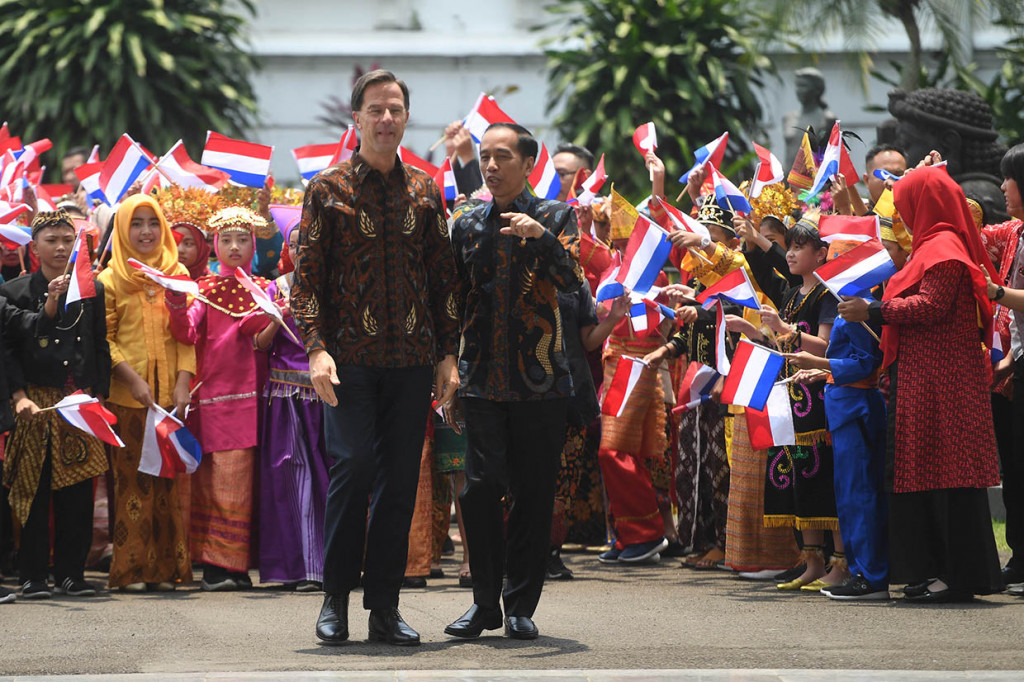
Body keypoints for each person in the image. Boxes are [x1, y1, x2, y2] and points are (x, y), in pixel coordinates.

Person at [291, 69, 460, 646]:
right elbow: (306, 283)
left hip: (413, 360)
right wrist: (316, 350)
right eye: (375, 109)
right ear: (356, 119)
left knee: (397, 485)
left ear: (407, 118)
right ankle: (334, 599)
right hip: (349, 362)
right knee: (354, 467)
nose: (385, 118)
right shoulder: (327, 189)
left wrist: (447, 356)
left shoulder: (424, 191)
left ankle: (384, 609)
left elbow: (441, 281)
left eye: (395, 109)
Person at [444, 122, 583, 641]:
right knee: (479, 489)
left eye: (503, 157)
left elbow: (574, 283)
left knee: (533, 493)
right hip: (480, 379)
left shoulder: (555, 216)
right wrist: (448, 363)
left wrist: (540, 238)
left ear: (529, 164)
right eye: (485, 156)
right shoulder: (465, 222)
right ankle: (483, 604)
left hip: (541, 383)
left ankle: (521, 604)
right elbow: (450, 299)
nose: (492, 166)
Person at [839, 164, 1003, 602]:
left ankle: (952, 574)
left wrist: (872, 312)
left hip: (944, 385)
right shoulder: (930, 247)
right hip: (926, 381)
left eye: (906, 203)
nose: (902, 214)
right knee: (926, 472)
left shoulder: (945, 248)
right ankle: (932, 570)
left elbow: (930, 306)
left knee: (945, 475)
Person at [165, 206, 273, 592]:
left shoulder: (266, 287)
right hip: (216, 397)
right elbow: (187, 332)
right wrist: (177, 302)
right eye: (226, 240)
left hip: (260, 398)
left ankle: (238, 564)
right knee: (221, 481)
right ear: (214, 246)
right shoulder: (204, 290)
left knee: (248, 482)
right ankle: (217, 564)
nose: (234, 246)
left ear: (254, 244)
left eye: (243, 239)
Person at [98, 194, 195, 592]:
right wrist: (132, 380)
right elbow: (104, 340)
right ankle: (131, 571)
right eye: (136, 223)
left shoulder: (177, 272)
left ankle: (167, 570)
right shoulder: (109, 279)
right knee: (132, 485)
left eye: (152, 223)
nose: (145, 231)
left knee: (167, 487)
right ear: (122, 229)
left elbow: (187, 337)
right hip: (127, 400)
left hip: (168, 401)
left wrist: (184, 381)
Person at [785, 239, 890, 601]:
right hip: (844, 404)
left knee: (859, 495)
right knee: (848, 495)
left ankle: (871, 575)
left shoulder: (858, 303)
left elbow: (865, 362)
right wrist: (821, 374)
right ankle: (862, 572)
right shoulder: (849, 300)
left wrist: (821, 365)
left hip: (857, 405)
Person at [255, 223, 329, 591]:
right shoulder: (276, 287)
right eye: (296, 245)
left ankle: (329, 565)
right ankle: (295, 568)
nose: (302, 251)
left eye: (309, 244)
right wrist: (276, 317)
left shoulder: (337, 286)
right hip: (286, 396)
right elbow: (259, 343)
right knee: (290, 478)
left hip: (327, 393)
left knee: (329, 477)